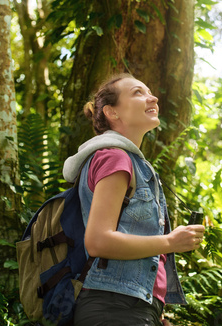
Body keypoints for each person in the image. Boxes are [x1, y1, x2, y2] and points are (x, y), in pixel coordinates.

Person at [62, 73, 205, 326]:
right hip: (114, 307)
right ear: (112, 113)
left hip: (131, 306)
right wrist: (170, 242)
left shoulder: (134, 163)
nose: (153, 97)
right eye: (138, 92)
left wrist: (154, 308)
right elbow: (98, 241)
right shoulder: (116, 158)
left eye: (149, 91)